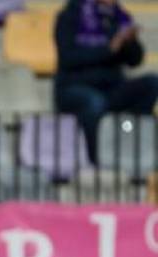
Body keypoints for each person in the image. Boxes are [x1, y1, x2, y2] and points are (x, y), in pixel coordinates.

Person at [55, 0, 158, 163]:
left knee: (152, 84)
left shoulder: (118, 18)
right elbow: (68, 58)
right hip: (75, 87)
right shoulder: (70, 15)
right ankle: (95, 160)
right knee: (94, 102)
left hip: (111, 88)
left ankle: (130, 143)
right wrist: (109, 49)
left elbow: (135, 61)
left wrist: (130, 42)